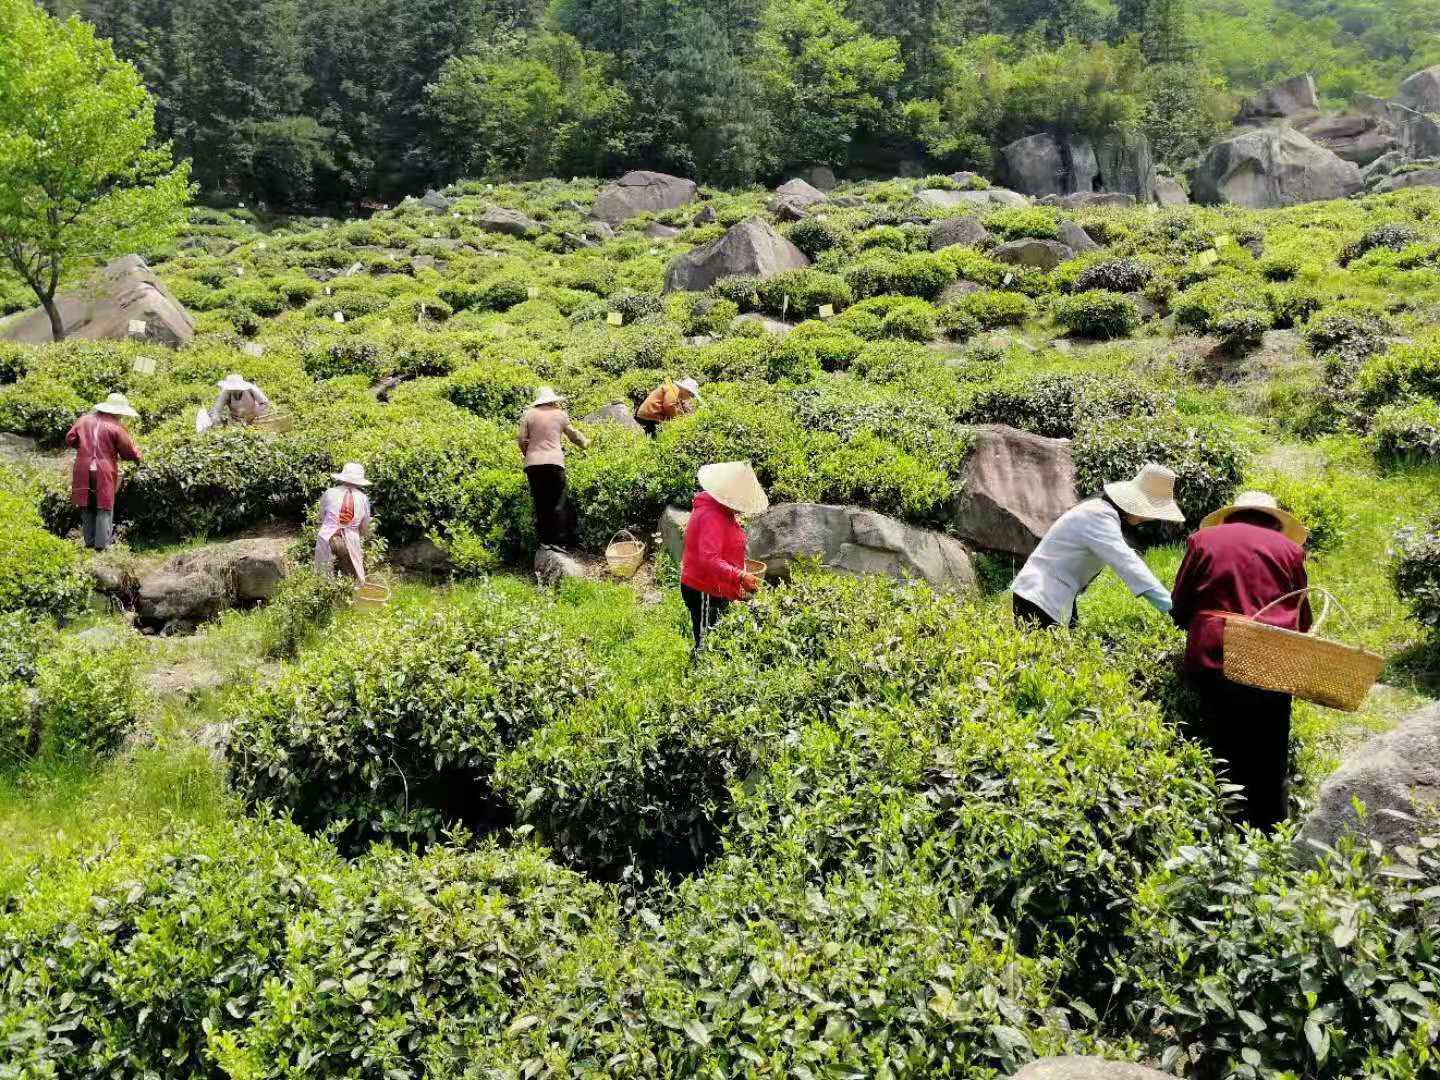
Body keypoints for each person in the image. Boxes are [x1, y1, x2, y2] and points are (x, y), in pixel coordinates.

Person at [1170, 491, 1312, 832]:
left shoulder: (1202, 539)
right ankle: (1271, 830)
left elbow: (1181, 601)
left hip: (1213, 652)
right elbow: (1302, 616)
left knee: (1220, 739)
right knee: (1270, 745)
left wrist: (1192, 621)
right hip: (1271, 654)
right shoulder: (1290, 550)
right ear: (1276, 522)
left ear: (1232, 515)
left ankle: (1220, 826)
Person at [1011, 462, 1181, 629]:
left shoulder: (1102, 512)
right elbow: (1129, 565)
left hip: (1054, 594)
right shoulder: (1098, 516)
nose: (1148, 518)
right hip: (1039, 596)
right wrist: (1175, 610)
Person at [680, 461, 767, 651]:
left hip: (715, 586)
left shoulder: (721, 510)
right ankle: (698, 674)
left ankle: (712, 672)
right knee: (706, 641)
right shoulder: (712, 515)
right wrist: (740, 575)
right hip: (702, 588)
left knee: (717, 634)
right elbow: (709, 559)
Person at [65, 393, 142, 551]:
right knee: (104, 507)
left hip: (82, 468)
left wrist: (83, 450)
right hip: (104, 469)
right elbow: (129, 451)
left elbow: (70, 438)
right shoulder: (116, 427)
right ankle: (101, 547)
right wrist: (138, 458)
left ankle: (89, 543)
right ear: (117, 411)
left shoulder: (84, 420)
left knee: (86, 505)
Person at [517, 387, 589, 551]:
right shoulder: (560, 414)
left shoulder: (528, 414)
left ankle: (546, 541)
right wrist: (584, 443)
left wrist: (527, 453)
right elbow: (573, 435)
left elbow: (521, 439)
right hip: (554, 463)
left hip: (533, 465)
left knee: (541, 502)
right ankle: (560, 541)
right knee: (559, 500)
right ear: (553, 400)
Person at [315, 462, 374, 583]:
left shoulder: (329, 492)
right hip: (349, 539)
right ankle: (349, 596)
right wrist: (359, 534)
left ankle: (325, 595)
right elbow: (364, 524)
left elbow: (322, 516)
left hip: (327, 537)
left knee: (324, 575)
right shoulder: (363, 498)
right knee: (350, 577)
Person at [634, 377, 701, 437]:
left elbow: (677, 407)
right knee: (659, 438)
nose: (690, 398)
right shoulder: (673, 390)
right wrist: (679, 421)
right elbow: (669, 406)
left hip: (653, 417)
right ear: (687, 391)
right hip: (649, 416)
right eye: (691, 395)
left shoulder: (676, 393)